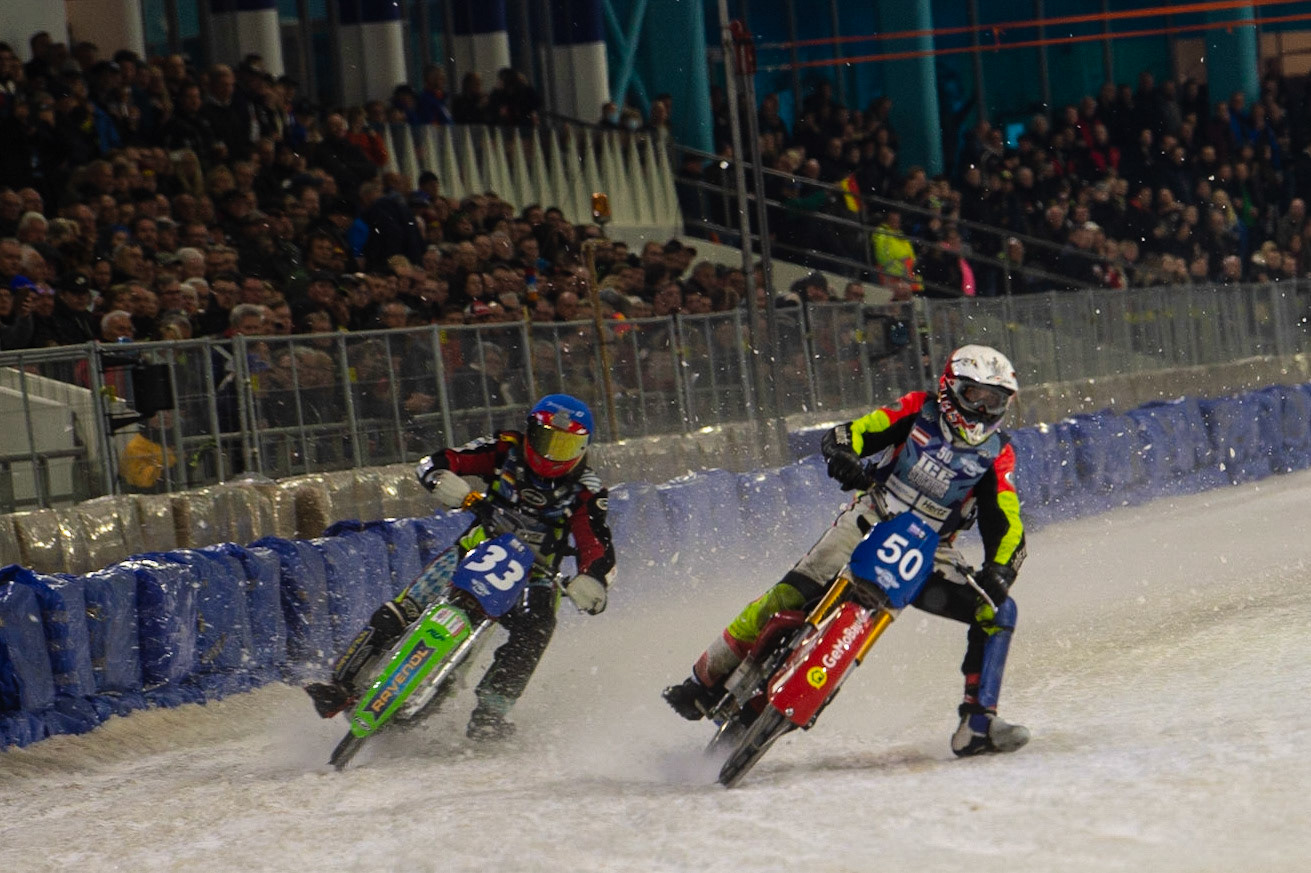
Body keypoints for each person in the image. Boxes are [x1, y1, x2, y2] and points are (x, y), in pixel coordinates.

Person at [662, 345, 1030, 757]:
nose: (982, 409)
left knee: (998, 611)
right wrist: (842, 452)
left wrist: (1002, 569)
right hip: (872, 515)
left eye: (993, 400)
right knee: (788, 594)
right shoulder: (916, 408)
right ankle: (704, 679)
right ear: (949, 388)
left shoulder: (998, 452)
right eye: (974, 395)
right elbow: (855, 431)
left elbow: (1007, 517)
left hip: (931, 549)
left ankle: (977, 725)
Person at [306, 394, 616, 741]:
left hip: (538, 575)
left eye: (565, 445)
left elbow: (596, 543)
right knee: (408, 605)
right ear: (530, 432)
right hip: (476, 545)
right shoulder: (505, 448)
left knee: (537, 628)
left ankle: (490, 714)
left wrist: (592, 578)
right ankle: (341, 684)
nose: (551, 453)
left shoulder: (588, 491)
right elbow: (438, 461)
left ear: (583, 448)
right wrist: (443, 480)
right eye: (546, 440)